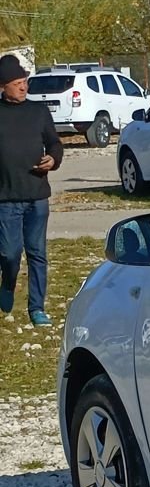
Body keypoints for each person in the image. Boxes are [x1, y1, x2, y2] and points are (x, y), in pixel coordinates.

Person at [0, 53, 63, 325]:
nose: (23, 87)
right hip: (6, 198)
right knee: (10, 253)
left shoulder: (39, 111)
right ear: (3, 86)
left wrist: (53, 159)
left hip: (37, 196)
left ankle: (36, 308)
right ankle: (8, 284)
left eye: (25, 81)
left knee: (37, 253)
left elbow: (55, 144)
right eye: (17, 83)